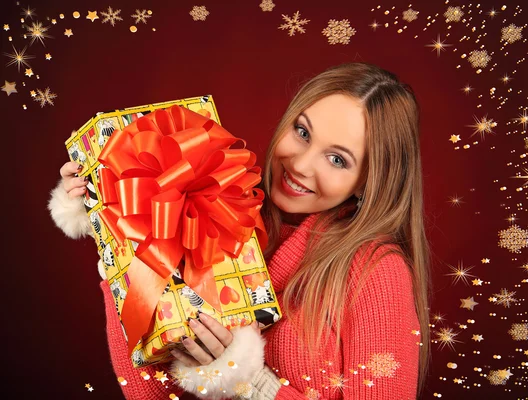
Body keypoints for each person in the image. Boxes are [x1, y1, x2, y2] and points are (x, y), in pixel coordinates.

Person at [48, 62, 430, 399]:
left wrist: (247, 382)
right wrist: (115, 228)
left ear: (369, 181)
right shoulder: (220, 217)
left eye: (336, 159)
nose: (300, 164)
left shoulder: (377, 273)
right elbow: (149, 394)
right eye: (302, 132)